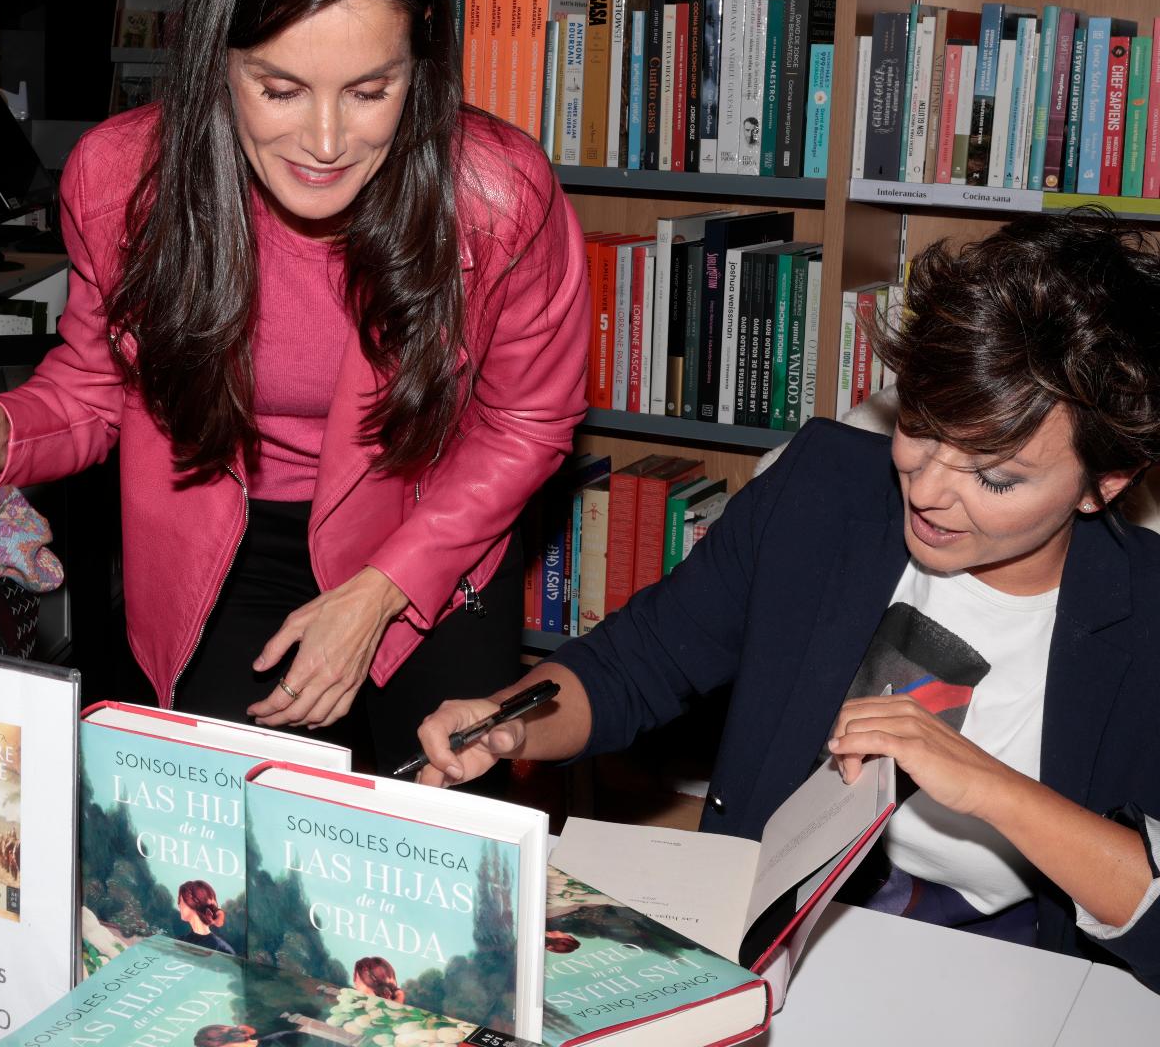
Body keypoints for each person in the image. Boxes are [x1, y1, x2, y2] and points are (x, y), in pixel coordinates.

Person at [0, 0, 588, 771]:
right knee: (219, 857)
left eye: (369, 90)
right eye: (277, 88)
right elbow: (94, 387)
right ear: (213, 58)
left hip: (431, 536)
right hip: (217, 547)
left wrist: (384, 587)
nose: (322, 142)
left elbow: (527, 422)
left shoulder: (499, 194)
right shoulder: (122, 181)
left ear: (420, 56)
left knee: (424, 844)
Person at [416, 212, 1160, 992]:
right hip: (778, 939)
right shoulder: (823, 490)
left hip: (1011, 975)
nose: (931, 490)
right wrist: (505, 725)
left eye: (995, 477)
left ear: (1106, 483)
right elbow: (635, 665)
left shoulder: (1144, 617)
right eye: (921, 427)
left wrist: (986, 785)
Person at [175, 879, 235, 954]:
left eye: (180, 900)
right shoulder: (181, 941)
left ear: (191, 904)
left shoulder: (222, 949)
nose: (179, 904)